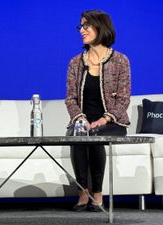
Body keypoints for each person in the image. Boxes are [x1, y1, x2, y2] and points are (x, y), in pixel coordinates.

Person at [65, 10, 130, 212]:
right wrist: (80, 118)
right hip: (83, 121)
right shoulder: (76, 63)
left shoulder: (120, 61)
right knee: (78, 134)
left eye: (86, 26)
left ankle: (98, 195)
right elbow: (70, 99)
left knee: (94, 134)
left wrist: (104, 119)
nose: (81, 30)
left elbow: (123, 99)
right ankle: (83, 192)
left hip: (111, 123)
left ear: (100, 27)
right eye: (80, 26)